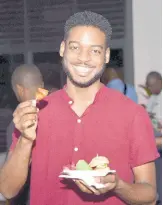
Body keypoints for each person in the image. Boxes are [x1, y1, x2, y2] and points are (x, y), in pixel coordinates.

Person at [0, 11, 159, 205]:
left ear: (106, 55)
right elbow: (7, 190)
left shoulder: (132, 114)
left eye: (95, 50)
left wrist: (118, 185)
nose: (83, 58)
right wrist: (26, 139)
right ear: (62, 49)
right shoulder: (36, 112)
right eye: (75, 47)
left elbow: (150, 195)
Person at [6, 64, 44, 205]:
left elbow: (11, 180)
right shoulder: (59, 113)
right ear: (42, 85)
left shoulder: (18, 123)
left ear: (20, 89)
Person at [145, 71, 162, 204]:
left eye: (151, 86)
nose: (149, 89)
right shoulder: (153, 97)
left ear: (159, 82)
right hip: (156, 147)